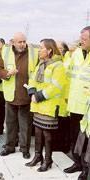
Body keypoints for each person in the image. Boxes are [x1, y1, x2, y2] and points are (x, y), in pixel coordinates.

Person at [25, 39, 67, 172]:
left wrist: (38, 96)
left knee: (47, 134)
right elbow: (32, 78)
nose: (39, 51)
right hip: (38, 105)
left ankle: (48, 159)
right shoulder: (41, 64)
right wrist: (31, 91)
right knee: (37, 130)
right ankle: (38, 156)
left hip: (49, 104)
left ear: (49, 50)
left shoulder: (58, 65)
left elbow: (56, 87)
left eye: (41, 48)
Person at [0, 32, 38, 159]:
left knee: (25, 125)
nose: (22, 44)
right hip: (11, 95)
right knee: (10, 123)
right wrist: (7, 73)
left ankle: (25, 149)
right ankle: (9, 147)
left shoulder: (33, 53)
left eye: (24, 41)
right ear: (13, 42)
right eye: (20, 42)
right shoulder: (6, 52)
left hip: (26, 95)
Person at [64, 26, 90, 180]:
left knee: (86, 139)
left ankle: (86, 168)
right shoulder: (77, 54)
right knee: (74, 136)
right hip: (74, 103)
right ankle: (77, 163)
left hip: (87, 107)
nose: (81, 41)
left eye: (85, 39)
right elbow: (67, 73)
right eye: (81, 38)